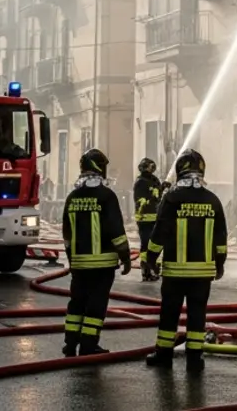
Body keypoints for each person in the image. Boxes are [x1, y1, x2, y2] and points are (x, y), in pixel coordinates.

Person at [144, 148, 227, 373]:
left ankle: (164, 354)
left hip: (175, 271)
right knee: (197, 313)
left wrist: (150, 258)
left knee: (170, 313)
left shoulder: (172, 198)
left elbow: (160, 231)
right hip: (202, 272)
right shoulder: (213, 200)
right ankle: (195, 357)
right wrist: (220, 263)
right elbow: (221, 237)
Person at [61, 149, 131, 356]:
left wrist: (71, 259)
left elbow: (66, 233)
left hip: (79, 263)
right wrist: (126, 257)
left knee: (76, 302)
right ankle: (89, 345)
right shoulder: (107, 196)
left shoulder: (72, 197)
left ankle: (70, 343)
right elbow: (116, 231)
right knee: (96, 304)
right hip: (103, 264)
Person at [132, 158, 163, 283]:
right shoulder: (140, 182)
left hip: (156, 217)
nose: (150, 169)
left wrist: (162, 188)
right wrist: (152, 198)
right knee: (146, 244)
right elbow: (140, 201)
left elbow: (159, 197)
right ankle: (146, 271)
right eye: (148, 166)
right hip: (144, 219)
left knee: (156, 244)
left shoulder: (155, 180)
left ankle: (155, 266)